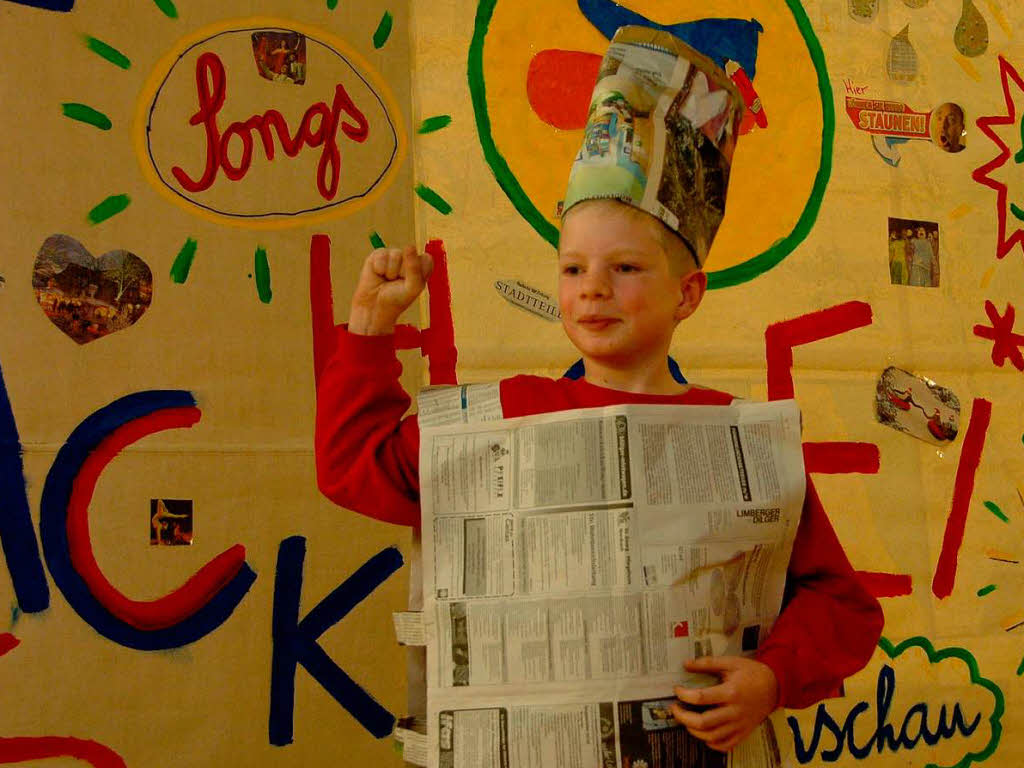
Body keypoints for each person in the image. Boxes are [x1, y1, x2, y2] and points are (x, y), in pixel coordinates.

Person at [315, 26, 883, 755]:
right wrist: (368, 326)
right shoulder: (510, 412)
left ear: (688, 293)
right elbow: (351, 467)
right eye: (573, 269)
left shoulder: (740, 438)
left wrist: (772, 680)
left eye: (625, 269)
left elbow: (843, 604)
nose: (593, 292)